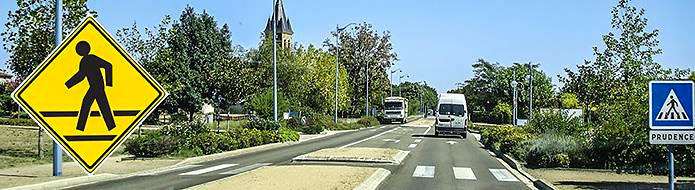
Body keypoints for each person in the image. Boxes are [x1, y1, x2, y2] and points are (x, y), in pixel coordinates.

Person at [65, 41, 116, 131]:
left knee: (90, 104)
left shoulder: (91, 58)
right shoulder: (85, 60)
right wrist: (68, 84)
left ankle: (80, 128)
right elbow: (81, 76)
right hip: (95, 86)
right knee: (102, 106)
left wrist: (109, 84)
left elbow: (108, 66)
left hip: (97, 86)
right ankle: (111, 127)